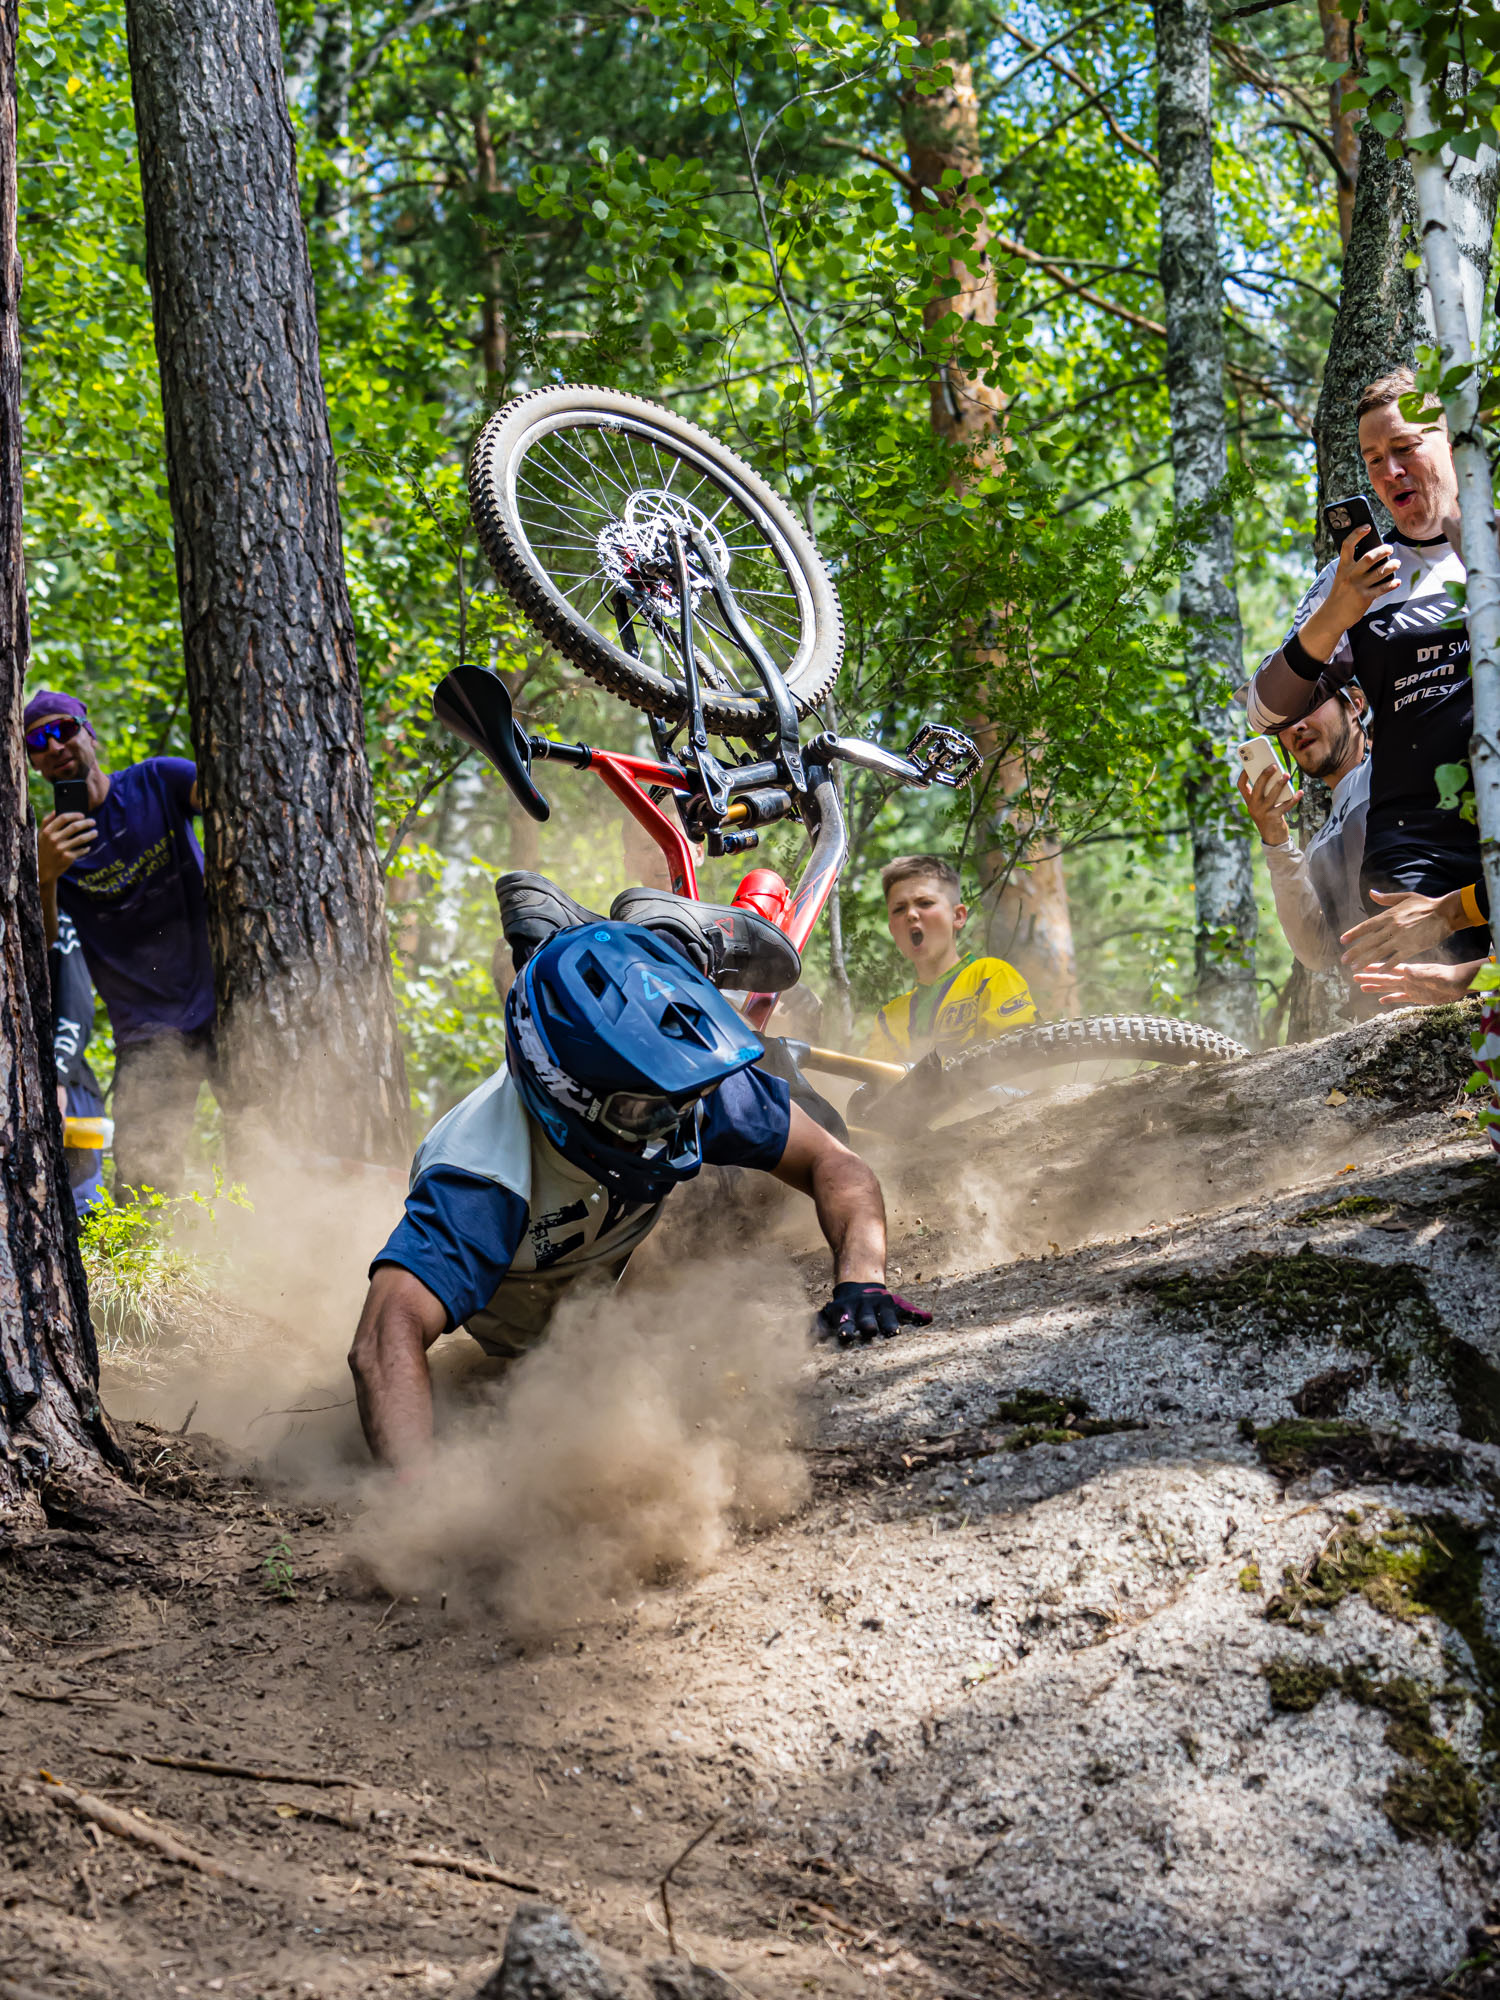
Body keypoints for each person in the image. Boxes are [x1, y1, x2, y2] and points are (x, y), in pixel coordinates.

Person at [349, 917, 929, 1472]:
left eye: (680, 1098)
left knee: (798, 1130)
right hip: (534, 1346)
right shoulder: (481, 1183)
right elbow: (383, 1338)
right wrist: (418, 1496)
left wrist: (862, 1279)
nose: (673, 1121)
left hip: (631, 1250)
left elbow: (835, 1162)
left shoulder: (681, 1083)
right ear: (565, 1095)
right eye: (640, 1108)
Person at [1245, 369, 1491, 981]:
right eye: (1373, 458)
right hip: (1415, 841)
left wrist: (1473, 548)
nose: (1389, 472)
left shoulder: (1488, 542)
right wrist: (1337, 614)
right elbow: (1265, 712)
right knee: (1411, 1039)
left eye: (1405, 448)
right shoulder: (1357, 575)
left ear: (1454, 444)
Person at [25, 689, 217, 1196]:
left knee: (263, 1136)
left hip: (223, 999)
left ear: (88, 732)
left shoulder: (157, 780)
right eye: (37, 742)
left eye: (63, 729)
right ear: (33, 766)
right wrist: (45, 878)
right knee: (142, 1181)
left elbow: (226, 798)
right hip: (146, 1030)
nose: (55, 745)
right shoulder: (48, 845)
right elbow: (43, 945)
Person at [1235, 683, 1372, 991]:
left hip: (1471, 996)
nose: (1296, 726)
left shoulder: (1395, 772)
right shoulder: (1323, 841)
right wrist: (1276, 841)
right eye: (1284, 721)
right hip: (1384, 1023)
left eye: (1310, 704)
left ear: (1355, 705)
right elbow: (1318, 951)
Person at [865, 855, 1035, 1061]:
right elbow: (873, 1088)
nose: (911, 914)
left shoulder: (990, 976)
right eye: (899, 909)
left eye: (925, 903)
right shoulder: (888, 1018)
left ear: (958, 916)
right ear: (892, 929)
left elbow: (1021, 1061)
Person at [49, 911, 106, 1214]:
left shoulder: (57, 923)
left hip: (67, 1088)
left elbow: (75, 1009)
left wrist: (57, 1078)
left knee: (80, 1208)